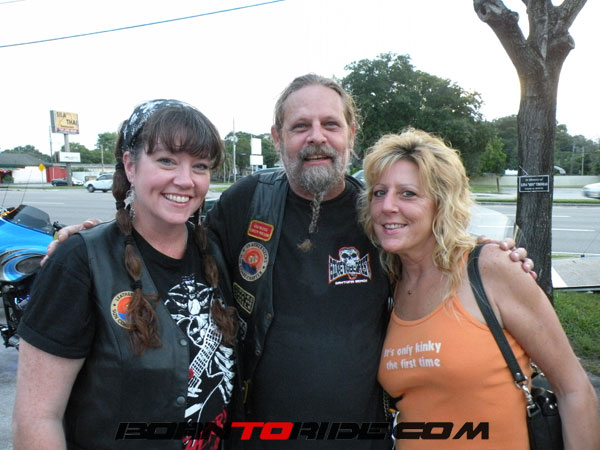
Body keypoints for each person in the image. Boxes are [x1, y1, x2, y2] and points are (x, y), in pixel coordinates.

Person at [42, 75, 533, 449]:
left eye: (330, 125)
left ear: (350, 133)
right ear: (278, 137)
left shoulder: (379, 214)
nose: (316, 137)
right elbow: (175, 243)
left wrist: (498, 258)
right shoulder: (247, 200)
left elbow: (436, 258)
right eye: (300, 126)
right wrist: (99, 237)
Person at [12, 100, 239, 450]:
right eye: (167, 161)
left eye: (200, 166)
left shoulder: (218, 251)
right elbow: (36, 419)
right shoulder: (81, 262)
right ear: (130, 165)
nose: (185, 180)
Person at [359, 129, 600, 449]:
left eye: (408, 194)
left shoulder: (489, 267)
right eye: (379, 192)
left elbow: (574, 390)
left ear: (442, 204)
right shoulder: (389, 284)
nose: (387, 206)